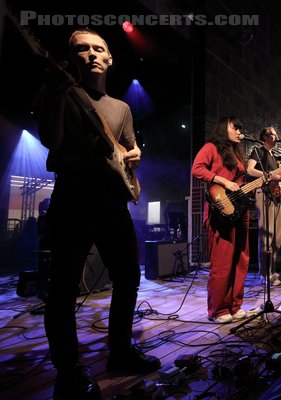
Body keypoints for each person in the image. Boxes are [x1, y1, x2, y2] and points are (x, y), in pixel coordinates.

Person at [35, 29, 160, 399]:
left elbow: (130, 148)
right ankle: (68, 370)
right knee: (63, 289)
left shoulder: (121, 107)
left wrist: (134, 155)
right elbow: (51, 141)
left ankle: (119, 351)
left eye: (98, 48)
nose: (90, 54)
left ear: (109, 59)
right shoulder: (59, 92)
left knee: (128, 277)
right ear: (71, 57)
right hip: (72, 196)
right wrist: (57, 93)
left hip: (111, 200)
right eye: (81, 49)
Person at [192, 116, 252, 323]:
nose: (238, 131)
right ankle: (218, 310)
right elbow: (197, 169)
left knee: (241, 260)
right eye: (234, 127)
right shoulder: (210, 148)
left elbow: (241, 186)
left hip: (241, 211)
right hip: (220, 210)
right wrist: (222, 180)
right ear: (222, 127)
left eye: (239, 128)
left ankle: (235, 306)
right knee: (223, 261)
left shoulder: (237, 155)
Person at [246, 127, 281, 286]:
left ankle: (272, 270)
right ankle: (264, 273)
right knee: (266, 236)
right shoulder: (258, 151)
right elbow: (249, 170)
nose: (276, 136)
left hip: (277, 197)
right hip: (264, 194)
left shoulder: (274, 157)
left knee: (277, 237)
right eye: (273, 134)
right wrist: (269, 175)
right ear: (264, 136)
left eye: (277, 134)